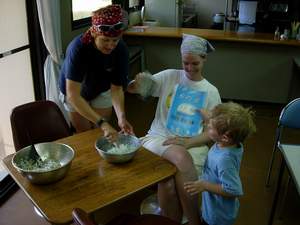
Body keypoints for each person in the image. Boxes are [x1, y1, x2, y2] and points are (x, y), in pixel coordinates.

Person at [127, 34, 221, 225]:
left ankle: (177, 219)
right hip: (158, 138)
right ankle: (195, 221)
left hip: (193, 144)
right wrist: (138, 84)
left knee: (168, 185)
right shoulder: (170, 76)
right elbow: (134, 89)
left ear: (204, 59)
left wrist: (188, 142)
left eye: (195, 63)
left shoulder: (211, 92)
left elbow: (213, 132)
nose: (190, 68)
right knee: (180, 156)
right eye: (185, 63)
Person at [59, 4, 133, 140]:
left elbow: (116, 89)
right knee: (84, 134)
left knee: (100, 133)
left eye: (115, 40)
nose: (111, 45)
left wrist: (121, 118)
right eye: (105, 40)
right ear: (94, 33)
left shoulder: (121, 50)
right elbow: (73, 96)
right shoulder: (78, 49)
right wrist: (103, 123)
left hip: (101, 88)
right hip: (75, 92)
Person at [184, 102, 256, 225]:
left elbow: (234, 190)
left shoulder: (224, 159)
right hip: (212, 208)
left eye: (210, 127)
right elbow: (220, 128)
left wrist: (205, 185)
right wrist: (209, 118)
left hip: (218, 216)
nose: (207, 126)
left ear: (225, 137)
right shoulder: (232, 144)